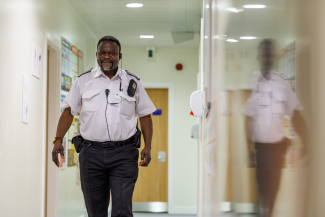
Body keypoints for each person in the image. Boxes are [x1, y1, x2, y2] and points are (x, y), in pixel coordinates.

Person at [52, 36, 156, 217]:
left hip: (124, 154)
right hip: (91, 153)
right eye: (103, 53)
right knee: (95, 211)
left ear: (119, 56)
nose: (107, 57)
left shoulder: (132, 82)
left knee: (122, 210)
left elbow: (145, 115)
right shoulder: (83, 81)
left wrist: (148, 146)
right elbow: (69, 112)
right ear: (97, 55)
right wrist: (58, 140)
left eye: (112, 53)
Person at [243, 39, 308, 217]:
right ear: (259, 58)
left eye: (270, 54)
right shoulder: (254, 83)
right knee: (261, 193)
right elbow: (248, 116)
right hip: (261, 149)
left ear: (274, 58)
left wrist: (306, 140)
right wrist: (247, 147)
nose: (267, 58)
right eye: (264, 54)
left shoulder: (282, 84)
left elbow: (294, 113)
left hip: (277, 150)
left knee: (272, 193)